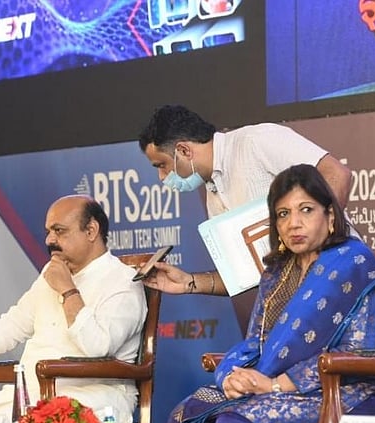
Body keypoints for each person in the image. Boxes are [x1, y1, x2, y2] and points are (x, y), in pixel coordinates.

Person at [164, 165, 375, 423]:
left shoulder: (354, 263)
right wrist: (232, 376)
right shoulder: (277, 272)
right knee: (188, 414)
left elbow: (359, 352)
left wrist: (275, 384)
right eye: (283, 214)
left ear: (330, 215)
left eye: (306, 210)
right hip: (281, 389)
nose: (293, 223)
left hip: (357, 390)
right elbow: (255, 342)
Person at [0, 195, 147, 423]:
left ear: (91, 230)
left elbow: (98, 347)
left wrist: (68, 291)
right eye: (48, 232)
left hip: (95, 395)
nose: (50, 240)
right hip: (34, 395)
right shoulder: (51, 273)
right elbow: (12, 325)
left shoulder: (123, 282)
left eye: (59, 231)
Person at [137, 105, 353, 296]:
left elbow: (336, 174)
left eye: (161, 165)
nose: (162, 177)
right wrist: (190, 283)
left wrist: (313, 256)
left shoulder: (256, 141)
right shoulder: (213, 192)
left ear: (183, 150)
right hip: (289, 302)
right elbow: (250, 274)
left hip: (338, 276)